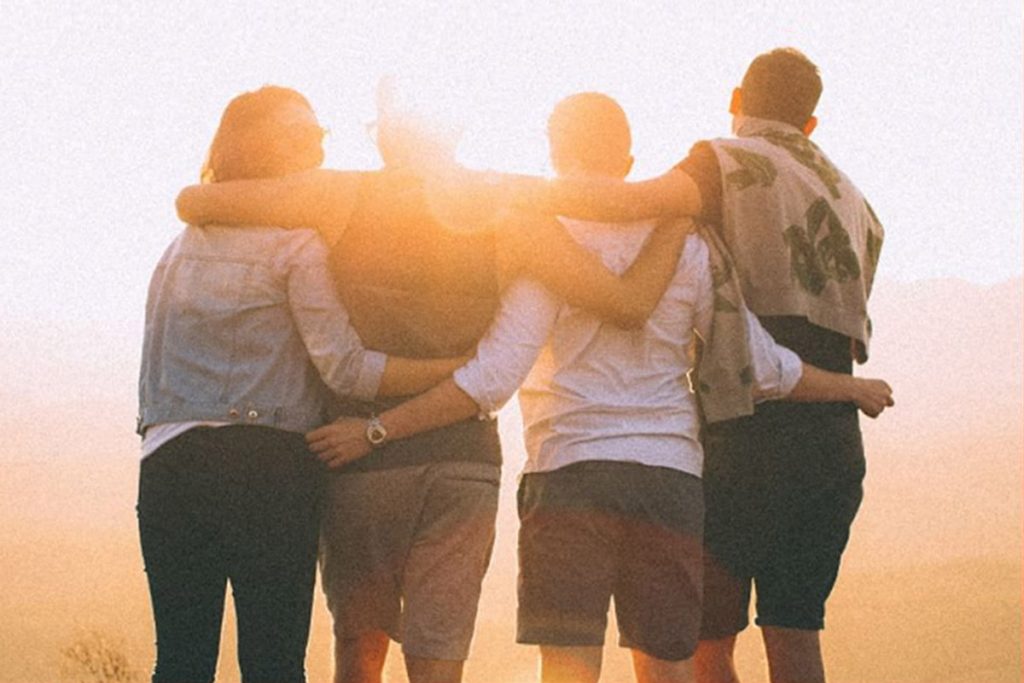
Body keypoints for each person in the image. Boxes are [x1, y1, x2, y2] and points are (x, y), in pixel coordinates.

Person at [304, 92, 891, 683]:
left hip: (568, 474)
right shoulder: (688, 244)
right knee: (669, 670)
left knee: (568, 670)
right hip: (669, 479)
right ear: (629, 163)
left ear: (555, 155)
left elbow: (492, 378)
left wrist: (377, 430)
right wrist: (850, 387)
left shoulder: (546, 246)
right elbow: (761, 368)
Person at [175, 81, 693, 683]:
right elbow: (625, 303)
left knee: (359, 663)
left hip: (359, 460)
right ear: (455, 132)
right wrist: (677, 214)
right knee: (440, 664)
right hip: (463, 461)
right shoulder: (508, 211)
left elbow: (198, 203)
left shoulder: (337, 196)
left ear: (386, 133)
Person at [491, 49, 887, 683]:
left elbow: (632, 204)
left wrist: (501, 190)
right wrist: (850, 386)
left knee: (705, 647)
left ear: (737, 100)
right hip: (829, 433)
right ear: (811, 122)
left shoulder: (724, 162)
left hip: (739, 428)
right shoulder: (855, 200)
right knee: (795, 634)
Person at [136, 86, 464, 683]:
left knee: (180, 661)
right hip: (269, 467)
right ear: (265, 147)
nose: (317, 143)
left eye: (320, 133)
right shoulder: (298, 246)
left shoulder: (177, 250)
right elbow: (344, 368)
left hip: (168, 466)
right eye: (301, 134)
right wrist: (450, 370)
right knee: (274, 663)